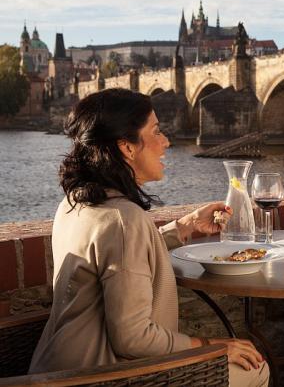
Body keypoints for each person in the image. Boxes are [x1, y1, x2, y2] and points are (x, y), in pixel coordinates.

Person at [28, 88, 269, 387]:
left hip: (56, 368)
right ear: (127, 147)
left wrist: (187, 225)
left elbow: (118, 250)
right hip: (103, 376)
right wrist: (215, 345)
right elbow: (133, 339)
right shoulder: (125, 220)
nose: (166, 141)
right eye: (156, 131)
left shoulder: (74, 203)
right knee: (255, 368)